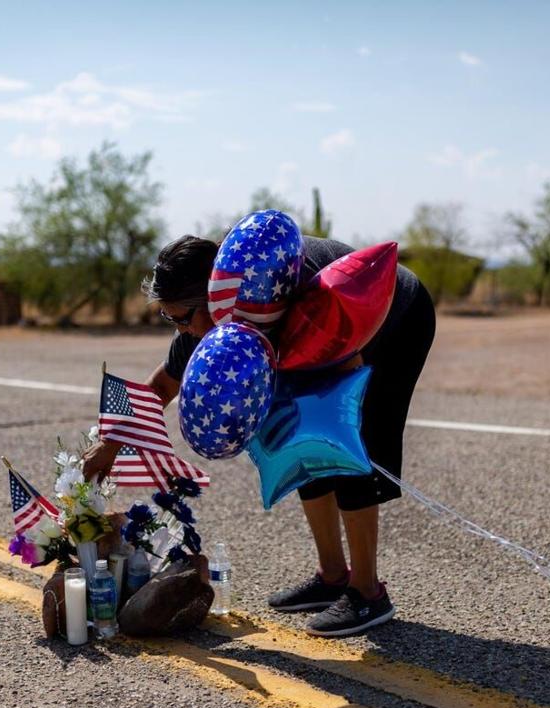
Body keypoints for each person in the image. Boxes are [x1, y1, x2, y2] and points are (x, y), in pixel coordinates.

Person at [82, 232, 435, 637]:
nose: (182, 331)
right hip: (334, 335)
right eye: (169, 318)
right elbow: (160, 388)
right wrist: (109, 446)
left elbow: (343, 384)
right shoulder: (206, 320)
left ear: (212, 296)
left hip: (393, 319)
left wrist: (334, 430)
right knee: (295, 438)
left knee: (343, 443)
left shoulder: (285, 292)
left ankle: (368, 593)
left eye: (183, 318)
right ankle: (333, 576)